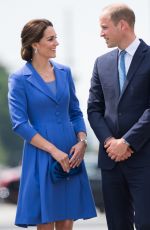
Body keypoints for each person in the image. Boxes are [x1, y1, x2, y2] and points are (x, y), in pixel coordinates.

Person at [8, 19, 96, 230]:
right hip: (41, 153)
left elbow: (75, 112)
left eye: (56, 37)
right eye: (51, 38)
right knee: (46, 222)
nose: (57, 42)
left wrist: (82, 141)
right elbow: (19, 123)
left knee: (66, 222)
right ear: (35, 44)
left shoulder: (65, 72)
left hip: (71, 150)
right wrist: (54, 151)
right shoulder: (19, 78)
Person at [87, 3, 150, 230]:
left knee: (146, 223)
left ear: (122, 25)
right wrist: (110, 142)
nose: (101, 33)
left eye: (105, 27)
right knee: (117, 225)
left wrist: (127, 142)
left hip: (145, 160)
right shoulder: (101, 63)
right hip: (111, 161)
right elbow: (94, 109)